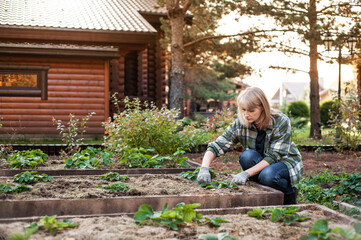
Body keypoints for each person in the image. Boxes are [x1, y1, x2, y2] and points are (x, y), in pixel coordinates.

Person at [197, 87, 303, 205]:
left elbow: (274, 156)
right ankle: (265, 194)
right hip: (262, 162)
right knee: (247, 156)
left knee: (267, 175)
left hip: (284, 161)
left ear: (262, 108)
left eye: (251, 110)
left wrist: (246, 173)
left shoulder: (281, 121)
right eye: (243, 110)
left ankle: (289, 195)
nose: (246, 114)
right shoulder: (241, 123)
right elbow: (217, 145)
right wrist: (204, 168)